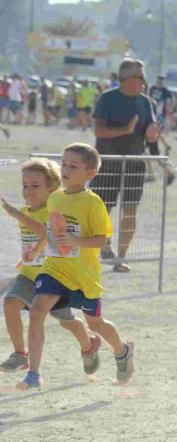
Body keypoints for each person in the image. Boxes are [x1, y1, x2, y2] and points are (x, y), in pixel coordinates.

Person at [0, 143, 136, 390]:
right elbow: (50, 233)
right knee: (37, 310)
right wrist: (36, 251)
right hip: (54, 270)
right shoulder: (55, 198)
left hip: (83, 276)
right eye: (64, 164)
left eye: (73, 166)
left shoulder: (93, 203)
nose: (66, 169)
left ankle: (122, 351)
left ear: (90, 173)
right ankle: (33, 373)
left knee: (96, 323)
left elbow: (101, 240)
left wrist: (75, 241)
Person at [1, 158, 100, 374]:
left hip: (54, 279)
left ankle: (89, 345)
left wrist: (15, 213)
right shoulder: (26, 210)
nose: (28, 191)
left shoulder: (56, 211)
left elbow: (43, 232)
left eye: (35, 186)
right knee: (10, 302)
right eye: (25, 186)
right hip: (29, 275)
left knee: (67, 321)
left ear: (53, 187)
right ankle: (20, 354)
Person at [90, 58, 160, 273]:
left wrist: (152, 135)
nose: (144, 81)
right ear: (126, 78)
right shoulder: (107, 99)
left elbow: (150, 135)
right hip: (108, 162)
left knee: (129, 212)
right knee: (102, 210)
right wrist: (125, 131)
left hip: (134, 164)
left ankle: (121, 257)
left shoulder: (146, 102)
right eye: (140, 76)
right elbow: (99, 132)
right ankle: (104, 245)